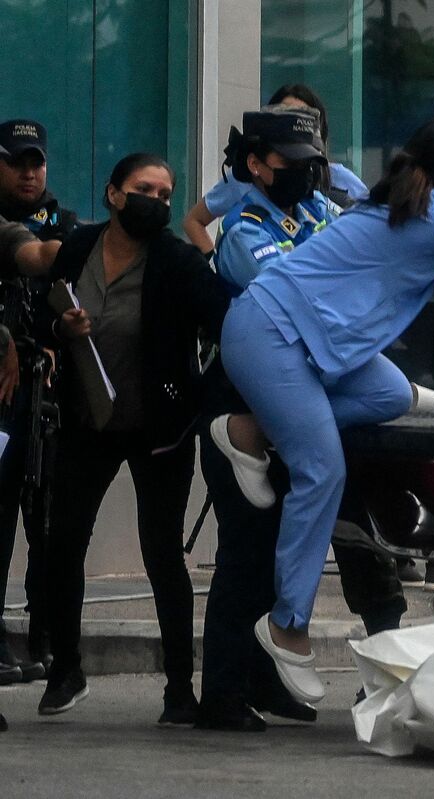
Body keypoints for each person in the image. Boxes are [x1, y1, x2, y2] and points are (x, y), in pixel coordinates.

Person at [216, 117, 434, 705]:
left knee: (392, 395)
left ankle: (252, 431)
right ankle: (286, 623)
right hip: (268, 334)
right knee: (322, 469)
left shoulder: (402, 204)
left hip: (310, 340)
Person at [196, 105, 407, 730]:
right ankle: (224, 693)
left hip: (301, 405)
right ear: (257, 166)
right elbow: (310, 297)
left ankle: (266, 684)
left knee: (295, 537)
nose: (307, 175)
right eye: (293, 163)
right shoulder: (243, 230)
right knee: (247, 551)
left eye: (315, 163)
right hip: (242, 395)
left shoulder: (318, 213)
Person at [36, 153, 229, 724]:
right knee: (63, 542)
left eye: (167, 194)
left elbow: (227, 322)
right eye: (144, 188)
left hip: (159, 431)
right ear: (114, 193)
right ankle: (64, 669)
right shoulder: (78, 249)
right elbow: (47, 311)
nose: (157, 201)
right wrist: (58, 331)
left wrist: (199, 399)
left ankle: (178, 688)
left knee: (162, 554)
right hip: (87, 422)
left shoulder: (178, 262)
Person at [0, 118, 77, 684]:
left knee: (49, 520)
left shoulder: (64, 224)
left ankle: (44, 635)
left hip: (49, 395)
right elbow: (28, 256)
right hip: (4, 395)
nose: (29, 172)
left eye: (37, 162)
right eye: (16, 161)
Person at [182, 83, 369, 256]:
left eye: (305, 116)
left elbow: (368, 231)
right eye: (286, 114)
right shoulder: (243, 207)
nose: (295, 124)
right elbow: (194, 221)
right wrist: (215, 269)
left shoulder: (332, 188)